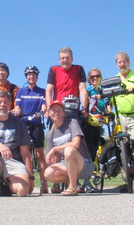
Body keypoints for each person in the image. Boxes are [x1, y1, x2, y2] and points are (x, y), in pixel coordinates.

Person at [45, 47, 89, 193]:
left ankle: (85, 178)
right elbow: (49, 90)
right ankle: (58, 183)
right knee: (57, 140)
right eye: (62, 58)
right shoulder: (54, 70)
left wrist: (85, 106)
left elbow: (82, 88)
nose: (65, 60)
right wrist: (48, 110)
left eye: (67, 57)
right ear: (59, 59)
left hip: (74, 108)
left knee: (78, 143)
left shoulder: (78, 69)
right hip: (57, 110)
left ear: (72, 58)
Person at [0, 90, 34, 197]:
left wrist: (30, 177)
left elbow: (25, 153)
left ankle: (7, 186)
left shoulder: (19, 123)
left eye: (5, 102)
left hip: (13, 161)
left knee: (23, 191)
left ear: (10, 104)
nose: (2, 105)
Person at [112, 51, 134, 193]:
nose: (122, 64)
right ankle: (128, 179)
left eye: (124, 61)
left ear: (129, 62)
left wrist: (133, 91)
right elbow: (109, 99)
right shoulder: (114, 79)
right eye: (119, 62)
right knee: (123, 149)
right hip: (120, 117)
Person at [44, 100, 95, 196]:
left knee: (69, 150)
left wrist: (55, 149)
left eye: (59, 110)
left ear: (64, 112)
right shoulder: (51, 133)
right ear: (49, 113)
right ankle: (74, 182)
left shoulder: (72, 122)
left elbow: (76, 144)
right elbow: (49, 159)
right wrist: (52, 158)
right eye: (53, 110)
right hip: (67, 166)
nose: (56, 113)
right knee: (48, 173)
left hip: (84, 164)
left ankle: (72, 187)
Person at [14, 66, 48, 194]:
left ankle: (44, 183)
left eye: (33, 75)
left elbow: (44, 107)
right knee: (24, 152)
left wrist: (40, 112)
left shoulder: (42, 91)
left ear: (37, 77)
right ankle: (26, 181)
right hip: (23, 124)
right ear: (26, 77)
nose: (31, 77)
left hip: (36, 123)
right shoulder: (21, 91)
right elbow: (17, 106)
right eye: (29, 75)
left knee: (40, 154)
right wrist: (17, 111)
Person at [81, 68, 108, 193]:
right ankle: (85, 181)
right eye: (92, 77)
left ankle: (90, 179)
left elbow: (108, 106)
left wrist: (109, 113)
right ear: (88, 79)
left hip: (99, 124)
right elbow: (84, 104)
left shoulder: (103, 91)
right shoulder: (87, 90)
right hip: (87, 124)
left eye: (97, 76)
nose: (95, 78)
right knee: (87, 152)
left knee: (95, 152)